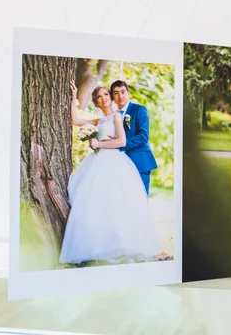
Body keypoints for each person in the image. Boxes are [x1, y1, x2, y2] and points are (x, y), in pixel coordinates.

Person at [59, 81, 161, 265]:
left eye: (106, 94)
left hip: (116, 161)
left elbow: (122, 141)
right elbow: (74, 121)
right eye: (99, 97)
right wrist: (73, 97)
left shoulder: (117, 117)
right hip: (98, 163)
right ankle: (98, 245)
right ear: (96, 102)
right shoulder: (100, 120)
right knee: (97, 203)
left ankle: (125, 244)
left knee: (122, 204)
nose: (104, 98)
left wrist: (100, 144)